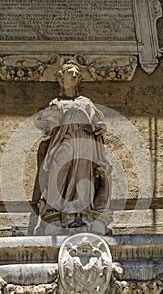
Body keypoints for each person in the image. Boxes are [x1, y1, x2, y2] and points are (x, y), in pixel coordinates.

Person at [34, 61, 111, 229]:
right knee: (58, 170)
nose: (74, 75)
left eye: (76, 73)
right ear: (61, 77)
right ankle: (54, 213)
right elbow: (45, 127)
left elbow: (98, 123)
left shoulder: (86, 102)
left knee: (83, 176)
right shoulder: (56, 103)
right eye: (70, 72)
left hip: (84, 145)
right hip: (63, 142)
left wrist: (98, 128)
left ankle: (81, 213)